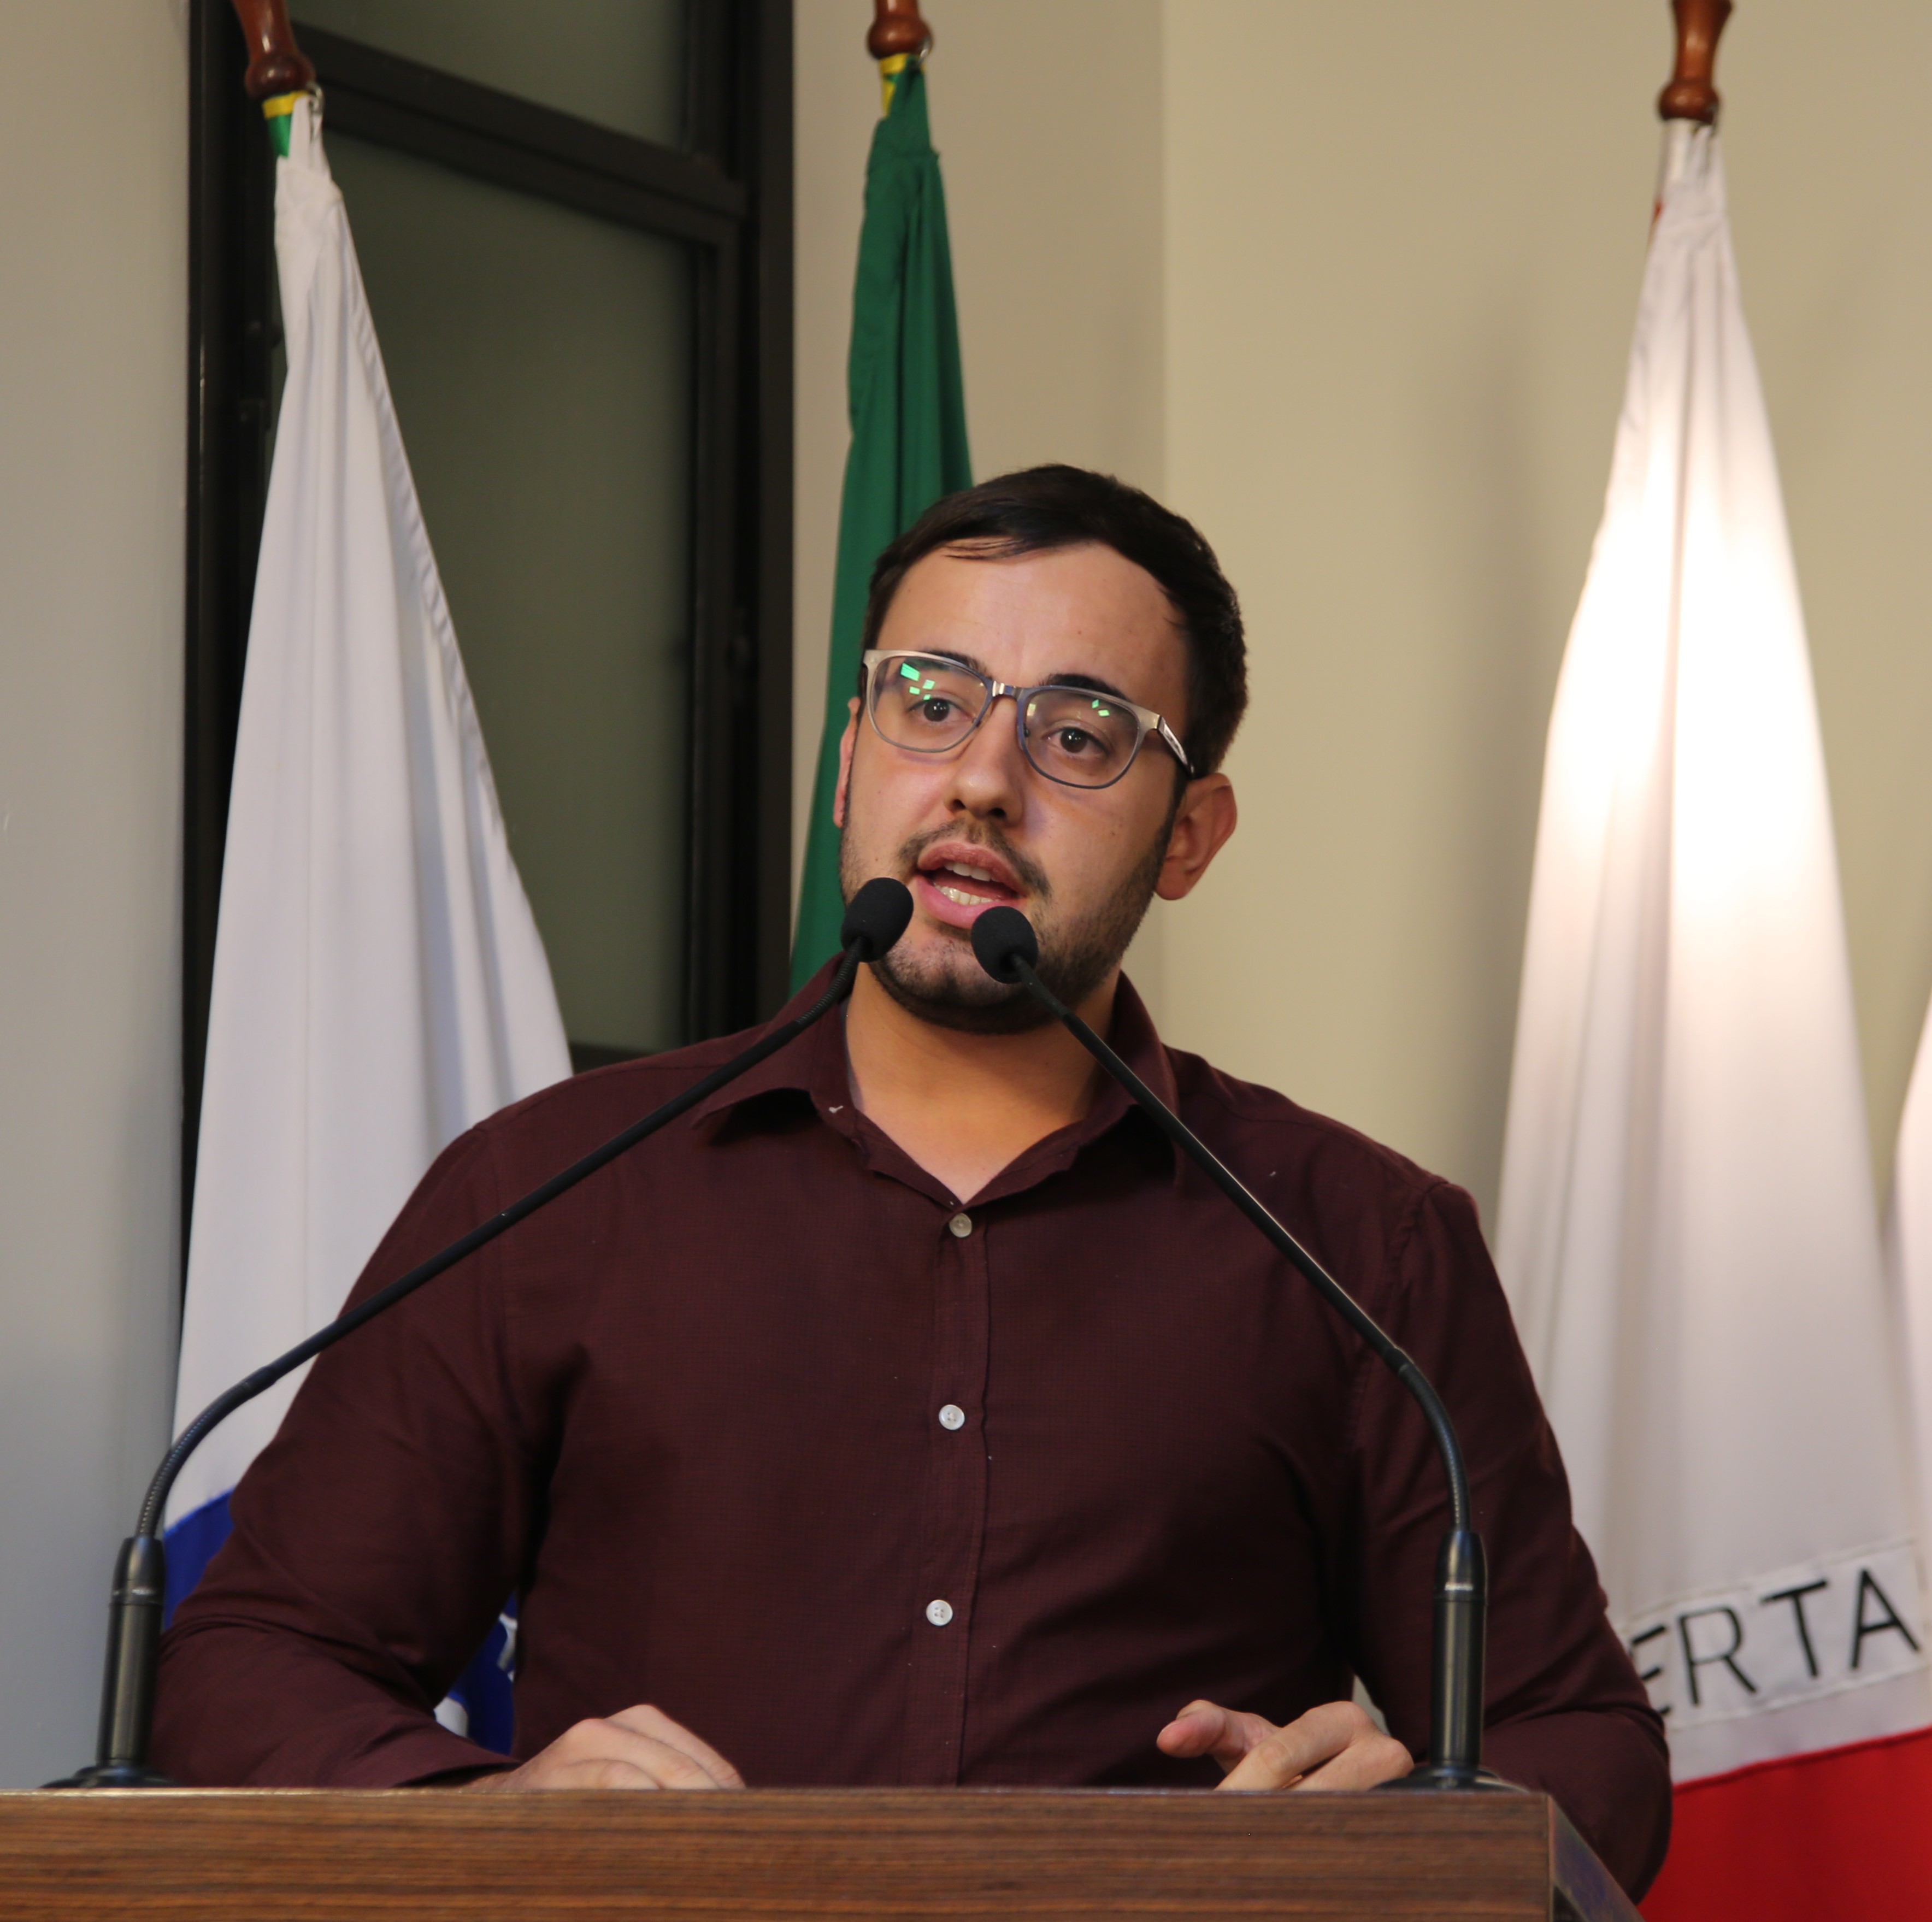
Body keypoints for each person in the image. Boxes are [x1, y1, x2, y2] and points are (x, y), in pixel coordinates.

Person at [155, 466, 1670, 1896]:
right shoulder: (552, 1189)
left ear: (1192, 833)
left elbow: (1582, 1746)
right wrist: (492, 1816)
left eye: (1079, 735)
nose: (982, 784)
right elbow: (251, 1664)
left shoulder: (1360, 1241)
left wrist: (1412, 1817)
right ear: (846, 771)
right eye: (929, 706)